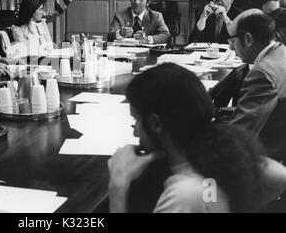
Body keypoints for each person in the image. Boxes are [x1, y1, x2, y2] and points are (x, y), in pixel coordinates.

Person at [108, 63, 286, 213]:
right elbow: (279, 176)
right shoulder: (221, 162)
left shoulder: (184, 196)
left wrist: (118, 182)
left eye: (136, 120)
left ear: (156, 123)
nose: (135, 133)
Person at [227, 9, 286, 158]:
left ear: (248, 39)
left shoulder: (262, 73)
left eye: (233, 41)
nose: (231, 47)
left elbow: (241, 135)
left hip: (268, 153)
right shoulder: (281, 50)